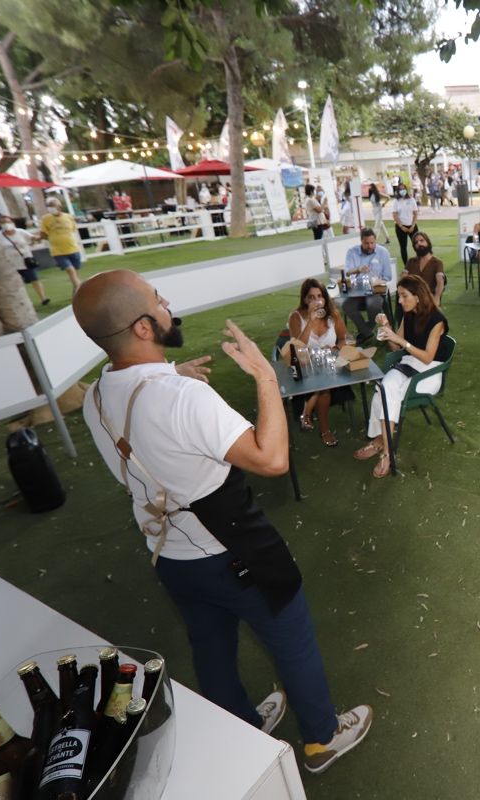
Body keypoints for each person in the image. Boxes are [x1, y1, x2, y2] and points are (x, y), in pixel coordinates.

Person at [73, 270, 372, 775]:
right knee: (292, 639)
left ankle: (242, 727)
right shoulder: (184, 400)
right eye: (157, 300)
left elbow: (146, 420)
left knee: (210, 649)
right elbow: (273, 458)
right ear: (144, 327)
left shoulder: (96, 396)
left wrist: (172, 376)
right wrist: (264, 376)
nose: (167, 303)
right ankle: (321, 738)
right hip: (234, 550)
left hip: (170, 556)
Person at [355, 274, 449, 478]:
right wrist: (386, 328)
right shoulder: (409, 313)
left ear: (418, 296)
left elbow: (426, 357)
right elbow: (394, 346)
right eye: (399, 296)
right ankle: (384, 443)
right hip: (410, 364)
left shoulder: (437, 320)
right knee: (384, 388)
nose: (399, 300)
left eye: (404, 296)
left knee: (387, 391)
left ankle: (385, 448)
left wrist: (402, 341)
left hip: (430, 372)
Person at [286, 279, 349, 447]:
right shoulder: (296, 317)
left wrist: (335, 348)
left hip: (329, 364)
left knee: (325, 379)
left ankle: (307, 411)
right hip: (306, 365)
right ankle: (325, 429)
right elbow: (297, 348)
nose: (316, 301)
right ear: (304, 299)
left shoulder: (333, 315)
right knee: (324, 384)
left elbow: (344, 338)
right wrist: (311, 321)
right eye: (311, 297)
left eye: (319, 296)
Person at [341, 228, 393, 341]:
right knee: (346, 306)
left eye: (372, 243)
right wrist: (358, 269)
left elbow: (388, 276)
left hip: (375, 292)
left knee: (372, 305)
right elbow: (347, 273)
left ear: (375, 241)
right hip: (357, 292)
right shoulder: (352, 252)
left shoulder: (383, 252)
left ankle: (365, 330)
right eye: (366, 243)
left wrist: (377, 282)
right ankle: (367, 333)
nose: (370, 246)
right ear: (361, 241)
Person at [0, 219, 50, 306]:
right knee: (16, 282)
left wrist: (41, 236)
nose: (6, 225)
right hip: (11, 262)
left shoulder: (20, 232)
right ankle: (23, 301)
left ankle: (43, 298)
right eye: (3, 223)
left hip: (26, 260)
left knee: (35, 279)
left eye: (8, 222)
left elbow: (32, 238)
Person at [37, 197, 82, 292]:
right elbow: (43, 234)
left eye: (53, 206)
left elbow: (73, 229)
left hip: (72, 248)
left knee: (75, 272)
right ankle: (80, 289)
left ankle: (75, 291)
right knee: (70, 270)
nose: (51, 208)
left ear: (59, 207)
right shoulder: (46, 219)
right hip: (58, 251)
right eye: (49, 207)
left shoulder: (69, 217)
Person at [406, 230, 446, 304]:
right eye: (416, 242)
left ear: (428, 242)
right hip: (413, 300)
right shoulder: (411, 261)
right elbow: (403, 279)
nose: (419, 243)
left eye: (422, 240)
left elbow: (440, 281)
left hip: (429, 300)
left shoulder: (437, 262)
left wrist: (436, 298)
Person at [391, 184, 418, 265]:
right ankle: (406, 265)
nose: (402, 190)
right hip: (400, 227)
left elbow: (415, 213)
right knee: (403, 247)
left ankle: (420, 262)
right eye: (400, 189)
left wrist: (413, 225)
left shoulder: (411, 200)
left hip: (412, 226)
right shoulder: (396, 201)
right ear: (398, 191)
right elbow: (395, 215)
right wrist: (401, 226)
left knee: (418, 245)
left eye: (404, 189)